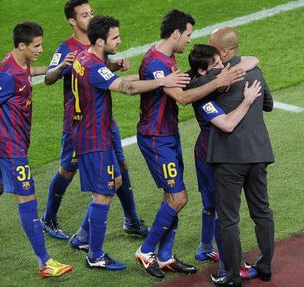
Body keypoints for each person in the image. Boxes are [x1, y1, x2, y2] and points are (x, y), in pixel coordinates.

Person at [71, 15, 190, 270]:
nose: (120, 41)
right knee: (102, 195)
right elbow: (127, 88)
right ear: (101, 41)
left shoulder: (84, 57)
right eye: (115, 37)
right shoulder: (94, 66)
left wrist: (143, 74)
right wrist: (162, 80)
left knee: (114, 183)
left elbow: (112, 78)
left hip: (90, 132)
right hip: (94, 137)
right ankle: (95, 255)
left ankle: (82, 237)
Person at [134, 10, 246, 279]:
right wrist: (218, 81)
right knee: (179, 198)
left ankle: (165, 256)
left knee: (171, 196)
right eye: (187, 34)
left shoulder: (167, 56)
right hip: (155, 137)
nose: (189, 39)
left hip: (168, 135)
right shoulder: (156, 63)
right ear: (175, 33)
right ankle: (146, 250)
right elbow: (182, 98)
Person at [0, 21, 72, 278]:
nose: (42, 49)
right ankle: (45, 262)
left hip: (12, 141)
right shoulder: (7, 74)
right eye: (37, 45)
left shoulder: (21, 62)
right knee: (27, 198)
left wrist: (57, 68)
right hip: (10, 146)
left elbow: (29, 72)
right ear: (22, 45)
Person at [42, 0, 148, 241]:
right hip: (78, 123)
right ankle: (49, 218)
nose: (90, 17)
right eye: (84, 15)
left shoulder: (97, 42)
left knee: (120, 166)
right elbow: (48, 78)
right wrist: (61, 67)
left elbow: (99, 69)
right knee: (68, 170)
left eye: (91, 13)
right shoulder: (66, 47)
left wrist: (115, 65)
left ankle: (131, 219)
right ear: (72, 20)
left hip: (103, 119)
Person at [206, 27, 275, 287]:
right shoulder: (254, 70)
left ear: (223, 51)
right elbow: (268, 103)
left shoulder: (216, 77)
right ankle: (266, 268)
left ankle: (234, 277)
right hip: (258, 153)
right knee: (262, 212)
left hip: (228, 157)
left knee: (228, 219)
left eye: (212, 46)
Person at [186, 44, 262, 278]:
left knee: (211, 205)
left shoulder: (210, 80)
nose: (223, 67)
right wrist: (247, 101)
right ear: (202, 73)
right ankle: (229, 268)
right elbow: (227, 124)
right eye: (216, 65)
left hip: (207, 152)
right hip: (211, 155)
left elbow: (253, 58)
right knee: (222, 211)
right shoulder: (203, 98)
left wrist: (231, 67)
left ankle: (206, 249)